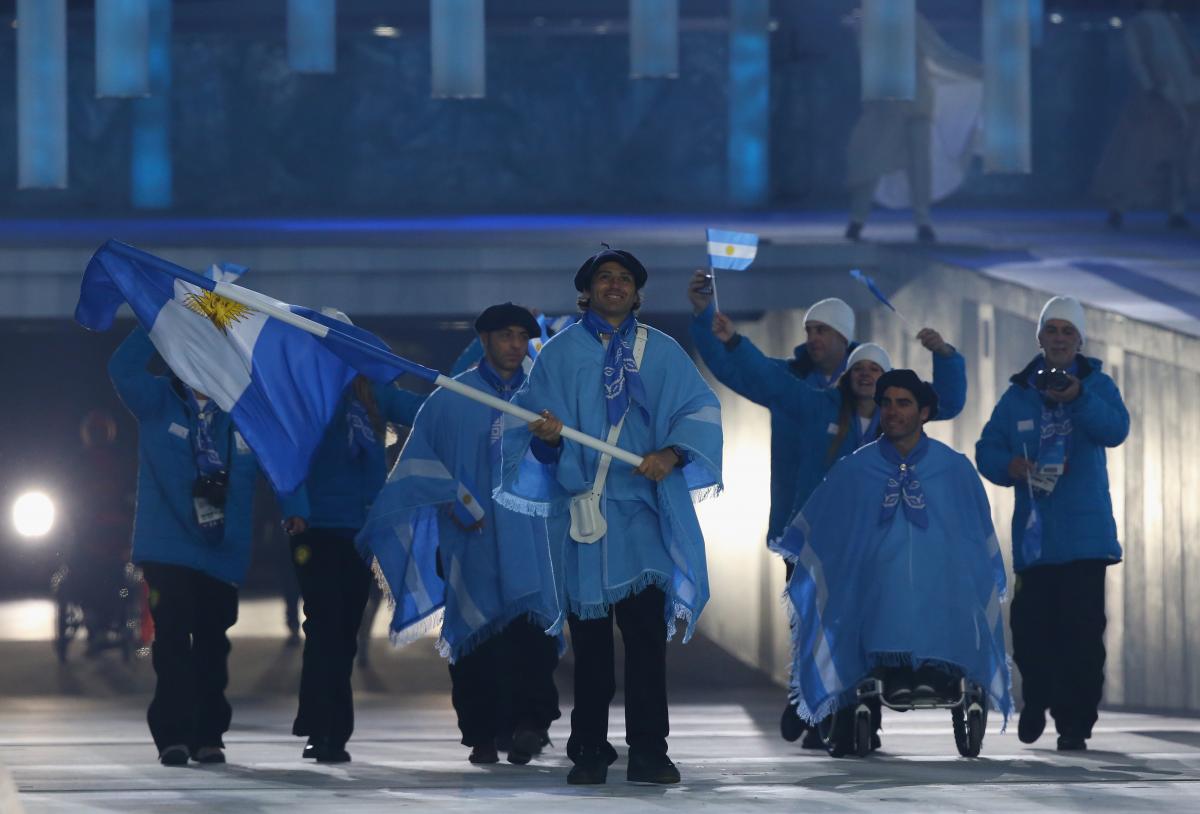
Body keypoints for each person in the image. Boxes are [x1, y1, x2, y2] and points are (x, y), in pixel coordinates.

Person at [498, 248, 723, 785]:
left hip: (643, 515)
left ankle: (649, 750)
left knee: (646, 641)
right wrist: (549, 440)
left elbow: (700, 409)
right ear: (588, 290)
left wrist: (671, 454)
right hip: (585, 520)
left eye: (624, 279)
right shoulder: (558, 355)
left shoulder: (663, 353)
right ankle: (589, 751)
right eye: (605, 278)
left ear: (637, 293)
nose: (615, 285)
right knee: (592, 647)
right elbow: (527, 435)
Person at [357, 303, 563, 765]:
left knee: (532, 638)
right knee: (479, 640)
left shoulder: (542, 400)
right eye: (505, 335)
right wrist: (452, 495)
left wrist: (553, 442)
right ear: (485, 340)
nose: (514, 345)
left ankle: (529, 725)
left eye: (521, 337)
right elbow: (418, 464)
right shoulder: (451, 399)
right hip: (471, 540)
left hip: (530, 539)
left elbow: (565, 467)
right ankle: (483, 733)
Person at [777, 369, 1012, 752]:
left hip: (943, 588)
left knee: (941, 578)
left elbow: (974, 533)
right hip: (874, 589)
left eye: (903, 403)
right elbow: (824, 524)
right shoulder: (855, 468)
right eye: (885, 403)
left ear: (924, 412)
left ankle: (934, 666)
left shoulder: (953, 468)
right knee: (876, 581)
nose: (892, 411)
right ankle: (878, 681)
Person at [975, 296, 1129, 751]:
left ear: (1079, 340)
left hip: (1086, 540)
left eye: (1068, 331)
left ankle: (1074, 724)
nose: (1059, 338)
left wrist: (1079, 398)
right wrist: (1012, 467)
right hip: (1035, 541)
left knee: (1082, 638)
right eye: (1052, 330)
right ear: (1039, 338)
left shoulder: (1097, 385)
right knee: (1029, 632)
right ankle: (1036, 697)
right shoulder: (1019, 393)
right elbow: (987, 449)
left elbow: (1116, 430)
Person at [279, 308, 427, 764]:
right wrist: (295, 508)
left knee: (343, 632)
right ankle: (327, 731)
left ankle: (320, 722)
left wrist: (470, 393)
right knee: (324, 628)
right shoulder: (302, 397)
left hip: (361, 532)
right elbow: (283, 454)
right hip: (316, 528)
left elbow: (422, 411)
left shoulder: (373, 393)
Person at [109, 326, 260, 767]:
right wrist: (158, 322)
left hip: (221, 548)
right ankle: (173, 736)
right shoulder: (157, 401)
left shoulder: (245, 414)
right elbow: (121, 367)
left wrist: (299, 509)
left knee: (213, 644)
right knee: (173, 640)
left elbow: (282, 464)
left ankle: (209, 735)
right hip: (168, 545)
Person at [844, 9, 983, 243]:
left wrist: (976, 71)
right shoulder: (866, 19)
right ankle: (858, 220)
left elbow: (938, 54)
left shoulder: (907, 18)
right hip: (884, 104)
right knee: (869, 161)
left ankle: (922, 222)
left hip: (915, 102)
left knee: (918, 165)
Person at [1094, 0, 1200, 230]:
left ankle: (1177, 210)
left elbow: (1188, 56)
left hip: (1187, 95)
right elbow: (1138, 58)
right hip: (1158, 98)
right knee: (1139, 156)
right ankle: (1119, 207)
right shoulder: (1139, 24)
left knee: (1180, 157)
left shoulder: (1173, 23)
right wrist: (1151, 87)